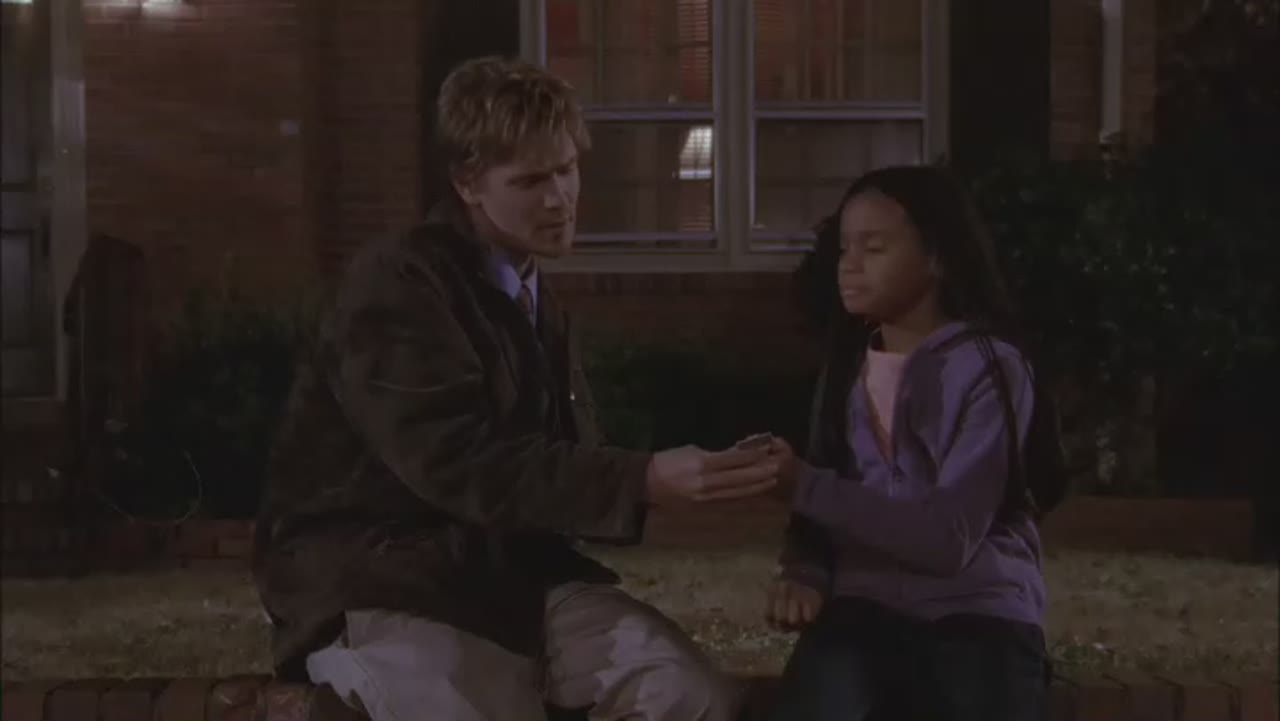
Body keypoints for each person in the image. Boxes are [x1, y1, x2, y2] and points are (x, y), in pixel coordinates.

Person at [252, 56, 780, 721]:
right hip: (382, 578)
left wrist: (680, 483)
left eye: (566, 169)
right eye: (530, 180)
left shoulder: (527, 290)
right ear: (467, 182)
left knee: (683, 691)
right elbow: (461, 460)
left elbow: (554, 462)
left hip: (508, 576)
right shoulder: (399, 284)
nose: (559, 198)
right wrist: (644, 478)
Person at [761, 165, 1053, 721]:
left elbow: (948, 538)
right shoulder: (847, 372)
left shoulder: (989, 369)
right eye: (844, 247)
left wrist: (803, 485)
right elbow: (829, 490)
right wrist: (805, 573)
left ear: (937, 257)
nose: (849, 264)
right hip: (862, 609)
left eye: (873, 248)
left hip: (977, 611)